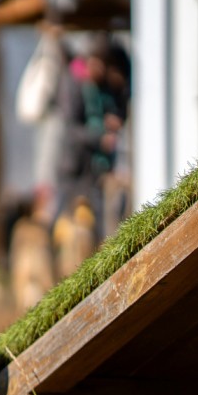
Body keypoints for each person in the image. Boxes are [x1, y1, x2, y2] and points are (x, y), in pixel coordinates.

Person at [57, 33, 129, 243]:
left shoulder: (101, 88)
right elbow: (71, 128)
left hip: (93, 168)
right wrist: (99, 137)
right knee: (67, 224)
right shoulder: (73, 83)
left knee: (95, 225)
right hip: (72, 166)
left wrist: (110, 121)